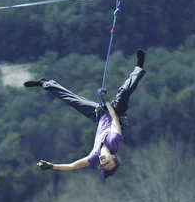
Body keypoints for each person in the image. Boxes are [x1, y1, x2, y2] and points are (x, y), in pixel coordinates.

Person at [24, 49, 146, 178]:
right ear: (113, 157)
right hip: (116, 112)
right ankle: (138, 68)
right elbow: (115, 118)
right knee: (124, 92)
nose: (104, 162)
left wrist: (52, 166)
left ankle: (44, 83)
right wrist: (106, 100)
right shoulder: (113, 141)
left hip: (100, 116)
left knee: (73, 101)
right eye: (108, 162)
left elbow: (72, 166)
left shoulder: (94, 156)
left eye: (104, 165)